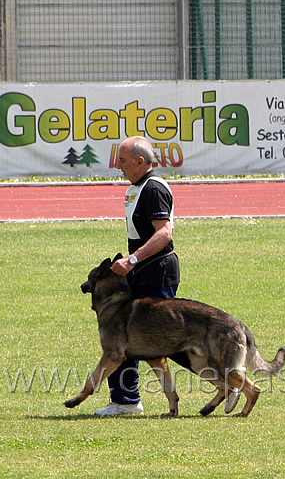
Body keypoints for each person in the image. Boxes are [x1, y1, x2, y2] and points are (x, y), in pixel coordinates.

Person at [94, 136, 180, 416]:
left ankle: (231, 381)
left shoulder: (153, 189)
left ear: (140, 162)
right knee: (124, 337)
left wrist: (132, 259)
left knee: (167, 341)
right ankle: (125, 400)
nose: (118, 166)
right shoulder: (137, 187)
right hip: (140, 272)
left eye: (122, 160)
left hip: (156, 273)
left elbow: (164, 233)